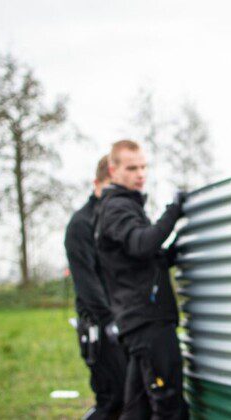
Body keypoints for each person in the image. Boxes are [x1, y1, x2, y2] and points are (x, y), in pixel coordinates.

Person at [95, 139, 188, 419]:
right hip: (147, 322)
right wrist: (173, 211)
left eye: (144, 167)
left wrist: (175, 249)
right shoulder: (116, 208)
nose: (140, 174)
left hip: (141, 322)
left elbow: (146, 259)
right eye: (132, 168)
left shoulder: (126, 206)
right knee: (169, 405)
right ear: (113, 170)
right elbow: (141, 244)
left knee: (138, 408)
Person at [65, 155, 127, 419]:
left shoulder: (116, 220)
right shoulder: (81, 225)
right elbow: (87, 283)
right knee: (112, 400)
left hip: (125, 320)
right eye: (109, 187)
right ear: (97, 183)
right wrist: (109, 322)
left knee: (131, 398)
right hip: (100, 328)